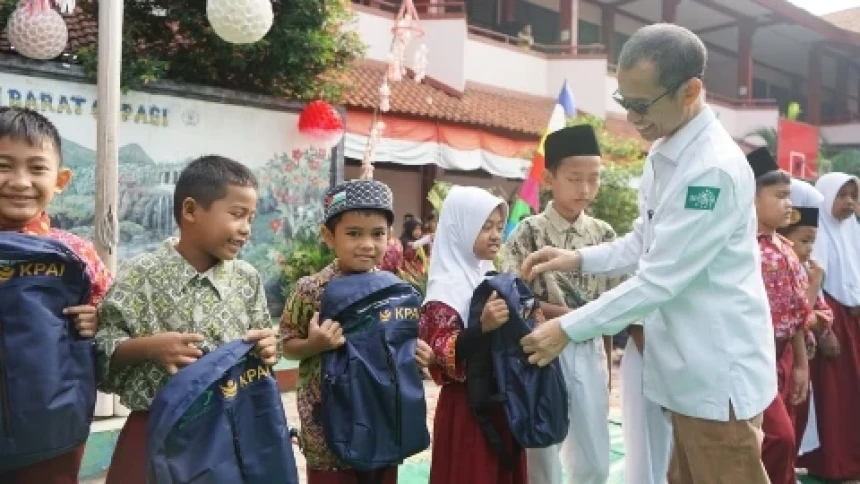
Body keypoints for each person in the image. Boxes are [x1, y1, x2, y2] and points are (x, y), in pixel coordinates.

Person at [518, 23, 775, 483]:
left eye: (641, 105)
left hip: (716, 375)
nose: (633, 118)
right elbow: (643, 241)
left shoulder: (709, 170)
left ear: (690, 90)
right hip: (686, 373)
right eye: (625, 102)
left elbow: (658, 279)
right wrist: (577, 259)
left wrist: (566, 328)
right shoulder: (668, 147)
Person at [95, 156, 279, 484]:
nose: (246, 229)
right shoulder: (141, 274)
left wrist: (266, 349)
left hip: (225, 435)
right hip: (152, 430)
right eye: (237, 215)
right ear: (191, 210)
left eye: (251, 218)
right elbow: (101, 348)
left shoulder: (247, 279)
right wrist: (149, 348)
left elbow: (262, 350)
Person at [280, 179, 434, 484]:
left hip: (382, 415)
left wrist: (416, 352)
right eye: (353, 234)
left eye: (377, 234)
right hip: (326, 423)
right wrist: (314, 344)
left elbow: (397, 345)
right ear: (328, 236)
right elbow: (286, 343)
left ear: (389, 236)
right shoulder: (311, 291)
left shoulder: (394, 290)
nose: (367, 244)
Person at [0, 107, 112, 484]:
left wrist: (98, 319)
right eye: (4, 165)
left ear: (60, 179)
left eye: (36, 168)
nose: (19, 182)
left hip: (52, 432)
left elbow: (115, 319)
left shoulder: (78, 253)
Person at [501, 124, 618, 484]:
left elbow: (614, 301)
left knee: (594, 456)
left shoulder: (604, 235)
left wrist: (607, 358)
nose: (585, 189)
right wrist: (564, 315)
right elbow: (512, 295)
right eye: (574, 178)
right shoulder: (529, 231)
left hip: (589, 348)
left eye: (594, 179)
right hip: (541, 350)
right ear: (550, 178)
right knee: (543, 455)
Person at [419, 186, 527, 484]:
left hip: (502, 402)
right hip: (467, 411)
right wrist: (482, 328)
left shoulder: (490, 276)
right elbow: (442, 356)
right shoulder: (444, 292)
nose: (495, 235)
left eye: (498, 227)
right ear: (460, 229)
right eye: (485, 226)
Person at [747, 148, 811, 484]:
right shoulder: (742, 249)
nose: (789, 205)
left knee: (786, 440)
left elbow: (798, 315)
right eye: (780, 196)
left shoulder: (785, 246)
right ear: (751, 198)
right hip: (753, 355)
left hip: (783, 355)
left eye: (790, 197)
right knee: (776, 439)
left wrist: (800, 364)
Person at [797, 172, 860, 482]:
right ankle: (832, 462)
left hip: (854, 320)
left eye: (853, 195)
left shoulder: (852, 231)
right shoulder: (815, 234)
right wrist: (825, 330)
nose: (849, 202)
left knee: (853, 394)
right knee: (833, 396)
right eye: (842, 195)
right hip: (830, 321)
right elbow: (814, 281)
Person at [777, 178, 834, 461]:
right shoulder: (781, 269)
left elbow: (821, 314)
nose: (809, 248)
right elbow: (800, 318)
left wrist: (814, 316)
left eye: (813, 241)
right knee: (779, 431)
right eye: (804, 241)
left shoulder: (804, 269)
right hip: (780, 356)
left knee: (794, 422)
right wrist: (814, 286)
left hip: (795, 356)